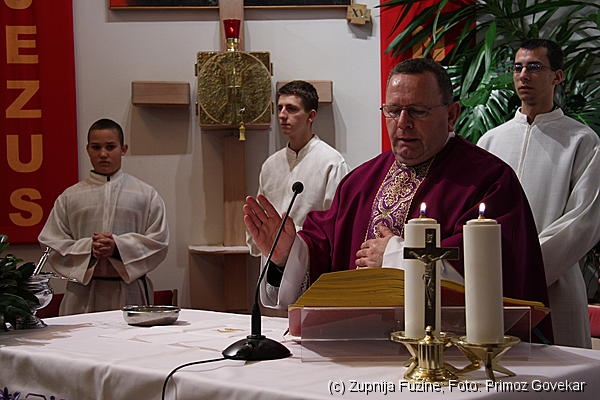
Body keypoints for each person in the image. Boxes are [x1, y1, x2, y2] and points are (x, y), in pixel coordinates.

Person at [245, 58, 551, 341]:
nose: (403, 122)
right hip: (356, 346)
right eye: (392, 111)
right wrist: (288, 254)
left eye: (417, 111)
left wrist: (394, 257)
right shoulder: (359, 182)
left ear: (451, 115)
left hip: (449, 354)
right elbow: (323, 247)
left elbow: (493, 273)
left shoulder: (489, 180)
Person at [478, 39, 600, 348]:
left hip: (554, 281)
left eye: (534, 67)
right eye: (517, 68)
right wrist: (493, 269)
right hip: (494, 282)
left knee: (560, 371)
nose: (523, 75)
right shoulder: (490, 141)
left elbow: (584, 220)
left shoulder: (581, 140)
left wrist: (526, 267)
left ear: (557, 76)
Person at [38, 118, 169, 315]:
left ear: (123, 149)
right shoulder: (70, 197)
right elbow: (51, 243)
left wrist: (118, 247)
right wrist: (89, 248)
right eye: (96, 147)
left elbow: (159, 241)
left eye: (110, 147)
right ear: (87, 149)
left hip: (130, 291)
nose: (103, 154)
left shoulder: (145, 195)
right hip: (82, 293)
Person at [246, 80, 349, 256]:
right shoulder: (270, 165)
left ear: (311, 116)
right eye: (280, 108)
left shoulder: (332, 163)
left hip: (312, 258)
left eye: (291, 109)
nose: (282, 115)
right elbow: (260, 221)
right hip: (271, 259)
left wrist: (294, 238)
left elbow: (338, 225)